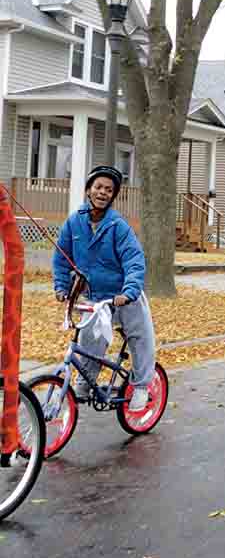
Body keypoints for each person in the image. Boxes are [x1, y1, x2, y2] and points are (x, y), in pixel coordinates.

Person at [52, 165, 157, 413]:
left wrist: (129, 291)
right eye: (98, 187)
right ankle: (84, 383)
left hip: (124, 296)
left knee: (140, 338)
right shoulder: (74, 223)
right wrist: (61, 287)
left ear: (113, 196)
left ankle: (142, 386)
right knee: (90, 342)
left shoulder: (118, 226)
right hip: (96, 299)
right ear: (89, 190)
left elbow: (134, 260)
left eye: (109, 190)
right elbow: (60, 258)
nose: (103, 192)